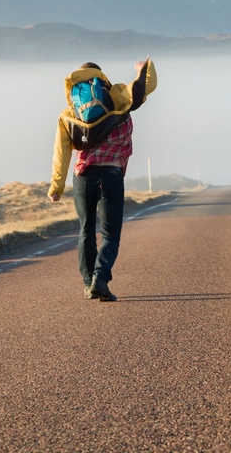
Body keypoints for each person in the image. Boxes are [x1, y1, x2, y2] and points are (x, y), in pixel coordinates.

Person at [48, 58, 157, 300]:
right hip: (110, 175)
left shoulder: (69, 113)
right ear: (100, 77)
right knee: (110, 235)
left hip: (83, 177)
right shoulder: (117, 97)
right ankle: (100, 278)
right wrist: (143, 71)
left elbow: (61, 152)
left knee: (85, 231)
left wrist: (56, 186)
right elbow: (145, 88)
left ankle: (89, 284)